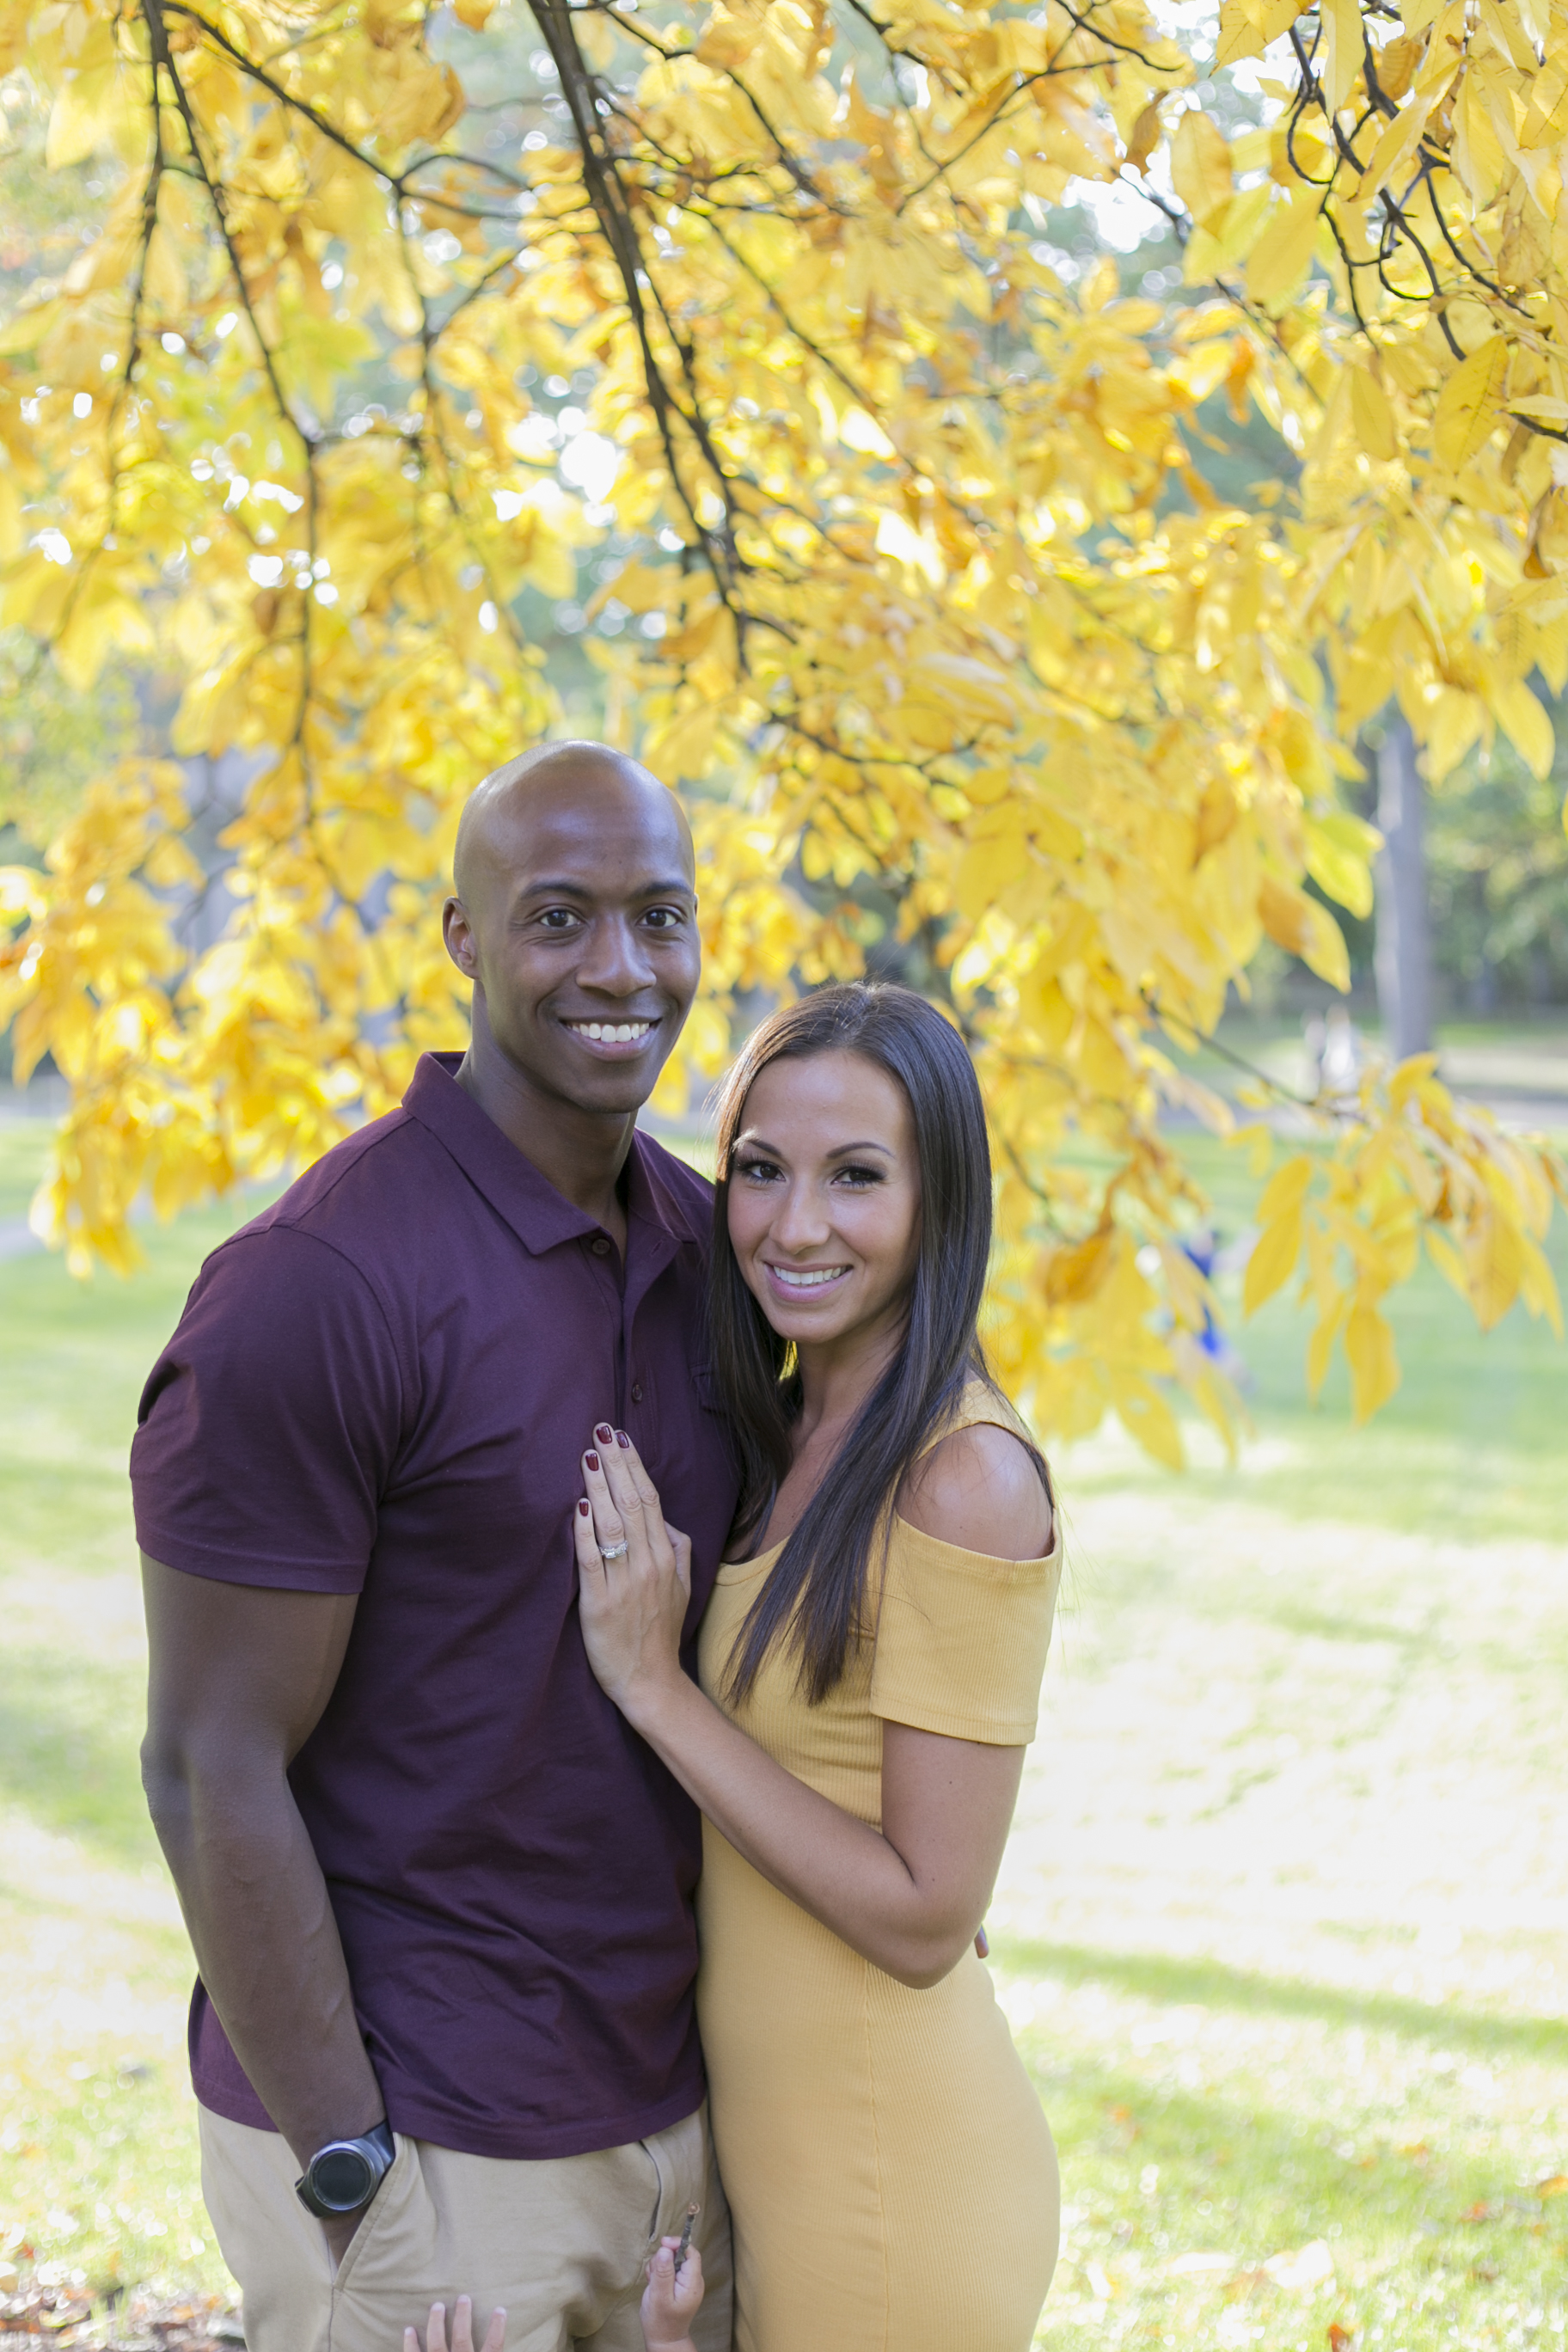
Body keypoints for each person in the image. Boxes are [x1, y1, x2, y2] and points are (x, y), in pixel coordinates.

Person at [132, 742, 738, 2352]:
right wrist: (350, 2165)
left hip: (679, 2129)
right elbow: (208, 1761)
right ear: (464, 939)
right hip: (430, 2156)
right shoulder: (317, 1289)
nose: (620, 968)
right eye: (559, 918)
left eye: (660, 917)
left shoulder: (712, 1254)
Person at [573, 983, 1063, 2352]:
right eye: (760, 1171)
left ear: (942, 1201)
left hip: (896, 2176)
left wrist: (656, 1688)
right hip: (788, 2164)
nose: (795, 1226)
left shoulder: (963, 1476)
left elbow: (925, 1916)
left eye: (857, 1178)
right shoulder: (789, 1432)